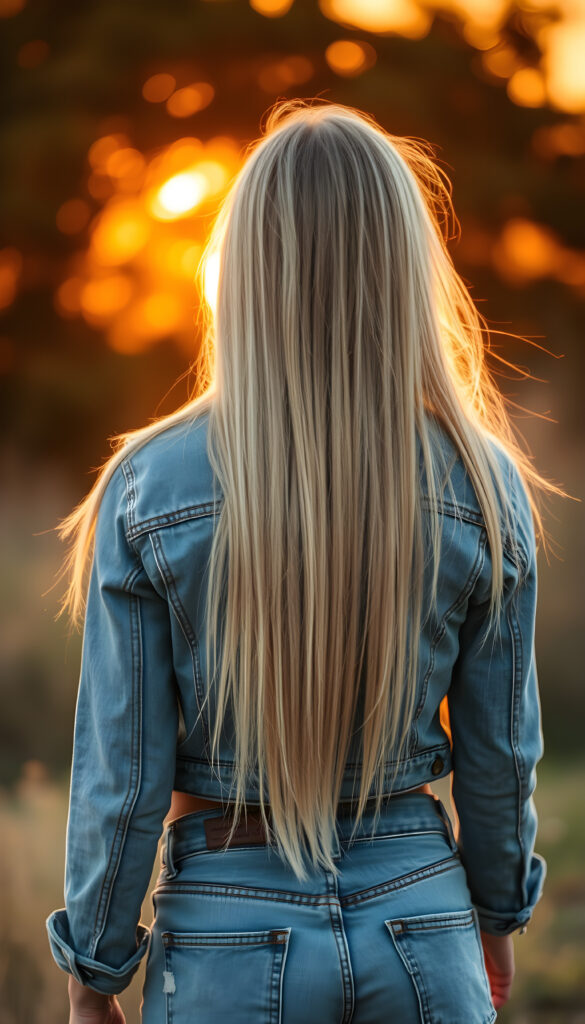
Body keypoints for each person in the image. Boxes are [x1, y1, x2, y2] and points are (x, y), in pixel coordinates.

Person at [46, 98, 553, 1023]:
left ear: (239, 268)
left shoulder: (146, 488)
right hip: (422, 930)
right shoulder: (484, 485)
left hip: (221, 946)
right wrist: (495, 919)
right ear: (405, 268)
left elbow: (122, 784)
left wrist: (94, 973)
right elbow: (499, 758)